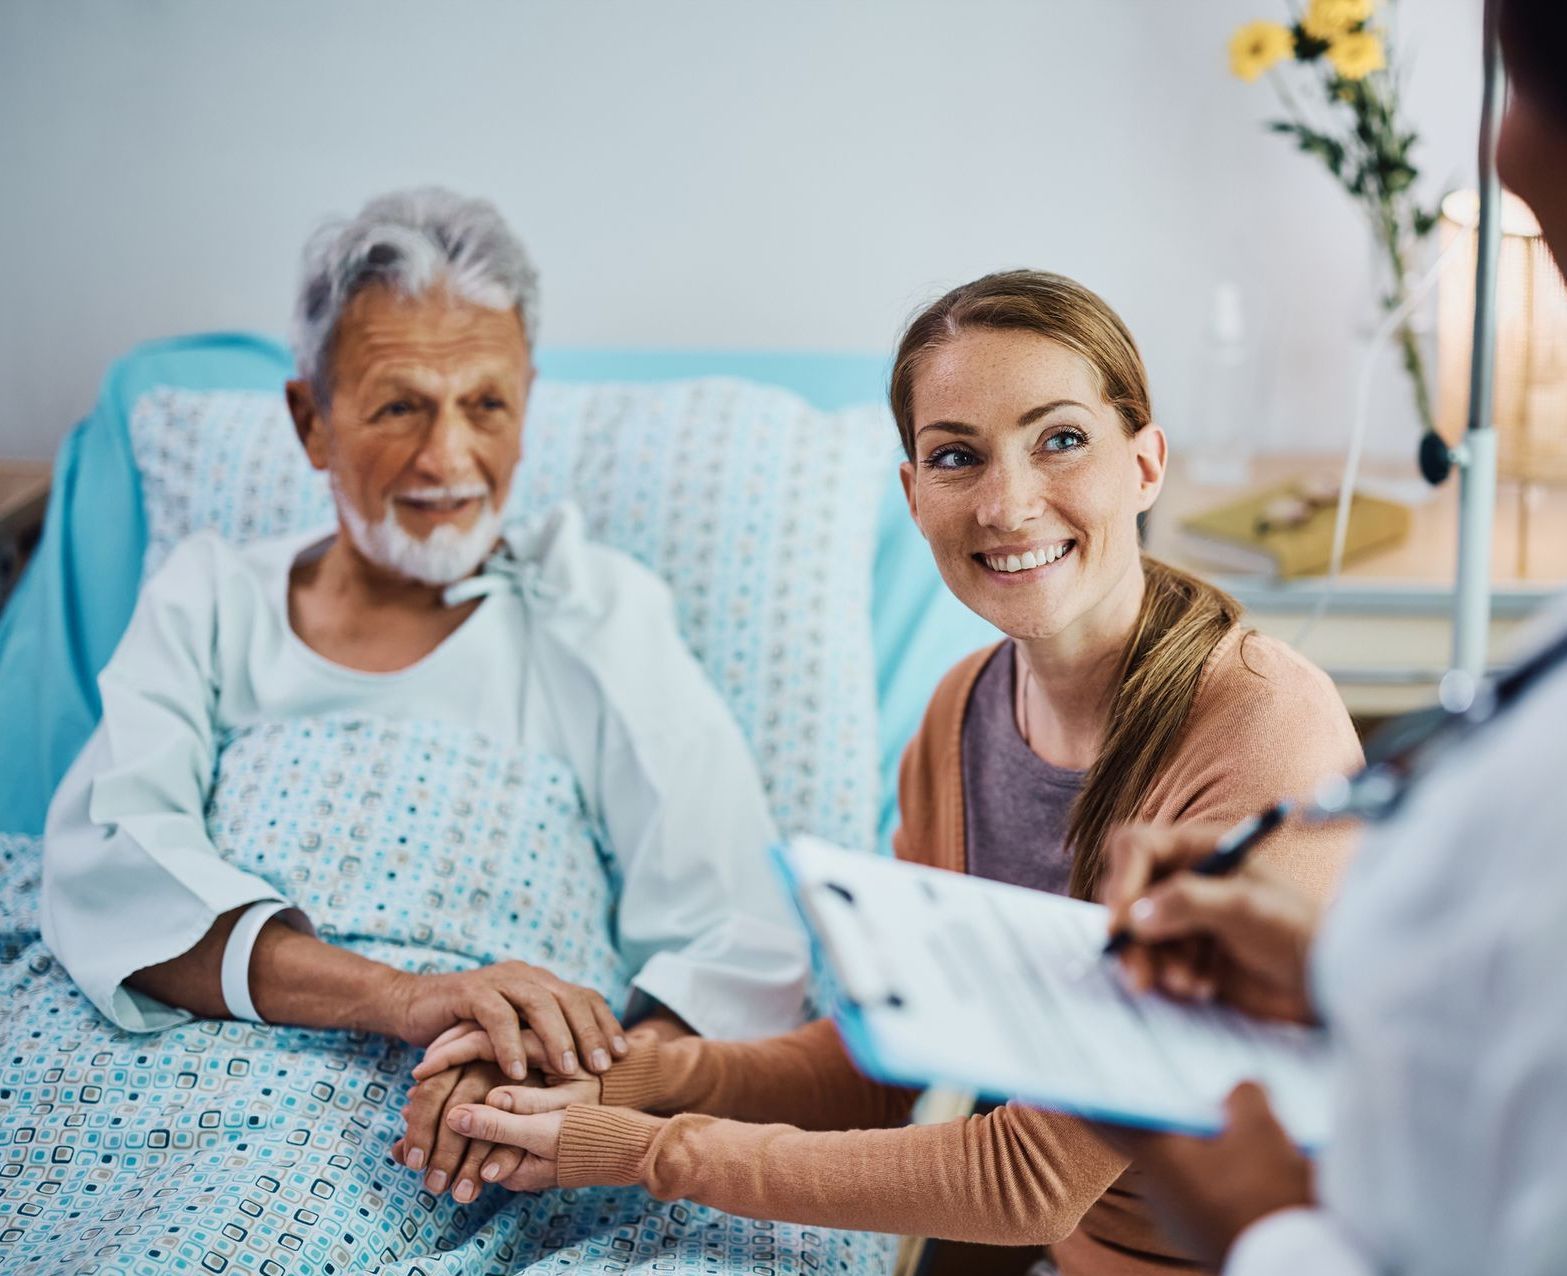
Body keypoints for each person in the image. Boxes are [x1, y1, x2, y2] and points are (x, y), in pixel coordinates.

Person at [5, 188, 895, 1276]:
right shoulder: (213, 598)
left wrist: (577, 1085)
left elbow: (737, 931)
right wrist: (407, 1000)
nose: (449, 456)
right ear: (308, 421)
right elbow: (112, 859)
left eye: (487, 403)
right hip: (199, 1071)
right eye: (397, 407)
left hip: (496, 1110)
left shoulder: (595, 611)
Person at [414, 270, 1366, 1274]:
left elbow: (1027, 1176)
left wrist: (640, 1149)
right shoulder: (962, 712)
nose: (1005, 502)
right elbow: (884, 1065)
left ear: (1146, 462)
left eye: (1061, 439)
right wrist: (616, 1078)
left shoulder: (1263, 734)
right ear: (914, 495)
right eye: (957, 455)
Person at [1079, 4, 1567, 1271]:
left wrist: (1262, 1232)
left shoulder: (1257, 713)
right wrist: (1342, 974)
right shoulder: (959, 707)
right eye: (949, 456)